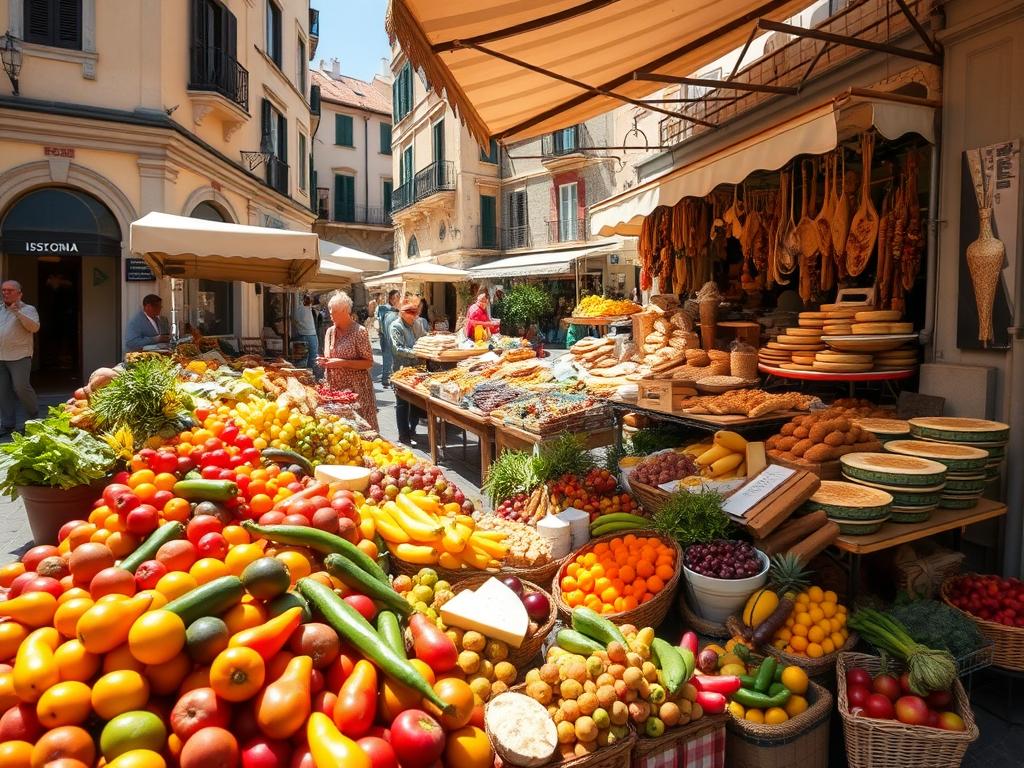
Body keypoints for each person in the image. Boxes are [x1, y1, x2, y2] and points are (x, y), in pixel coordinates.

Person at [318, 291, 378, 432]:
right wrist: (324, 361)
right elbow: (329, 355)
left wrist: (342, 362)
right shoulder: (330, 331)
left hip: (356, 391)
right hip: (334, 390)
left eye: (333, 312)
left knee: (361, 431)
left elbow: (368, 363)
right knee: (339, 432)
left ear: (345, 311)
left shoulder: (359, 331)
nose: (330, 315)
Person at [0, 281, 39, 434]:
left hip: (20, 355)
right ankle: (8, 424)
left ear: (19, 293)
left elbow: (34, 328)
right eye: (3, 290)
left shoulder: (28, 309)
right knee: (3, 391)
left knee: (21, 388)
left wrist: (17, 313)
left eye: (10, 290)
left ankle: (33, 419)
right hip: (1, 356)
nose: (6, 293)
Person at [389, 299, 425, 443]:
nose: (413, 315)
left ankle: (412, 429)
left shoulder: (417, 324)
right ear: (402, 313)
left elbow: (423, 338)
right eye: (409, 312)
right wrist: (417, 353)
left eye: (415, 312)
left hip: (417, 369)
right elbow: (397, 349)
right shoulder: (396, 326)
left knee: (416, 402)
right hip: (402, 370)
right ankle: (403, 435)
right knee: (402, 403)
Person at [291, 294, 319, 376]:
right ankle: (309, 374)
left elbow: (295, 321)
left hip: (303, 334)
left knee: (303, 357)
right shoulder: (305, 308)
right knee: (311, 356)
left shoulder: (299, 309)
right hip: (309, 335)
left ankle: (304, 374)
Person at [377, 290, 400, 387]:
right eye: (397, 298)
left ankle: (387, 378)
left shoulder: (385, 309)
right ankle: (386, 378)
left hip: (384, 336)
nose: (399, 300)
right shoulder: (386, 310)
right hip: (386, 336)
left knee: (388, 357)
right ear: (391, 299)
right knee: (388, 357)